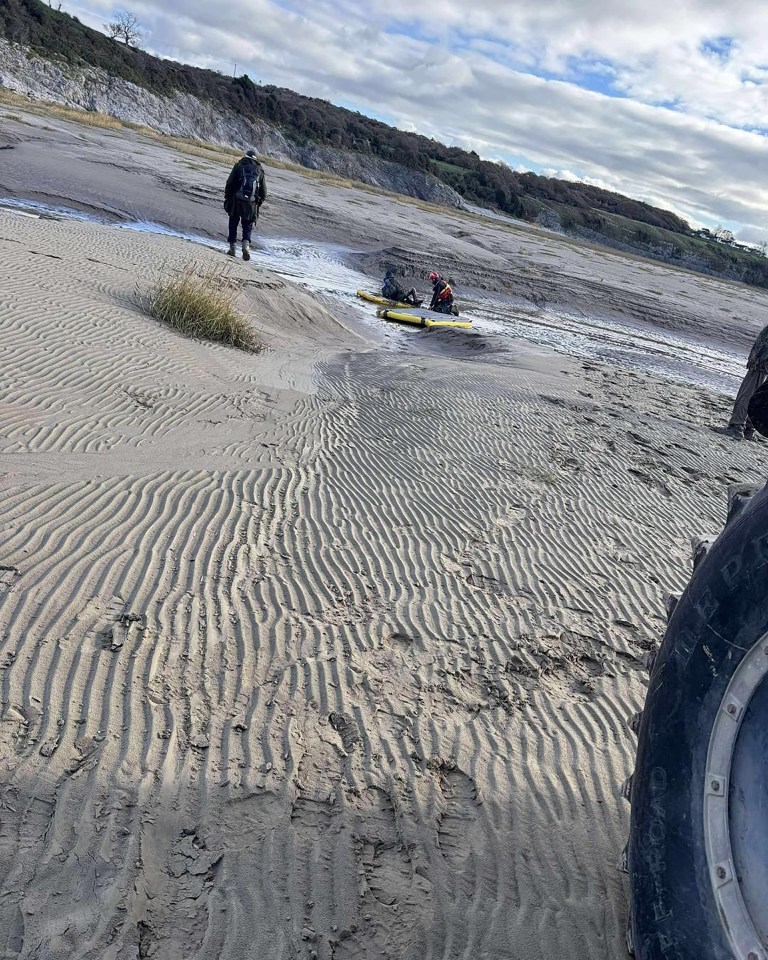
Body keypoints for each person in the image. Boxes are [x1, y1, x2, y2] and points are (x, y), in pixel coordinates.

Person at [726, 323, 768, 440]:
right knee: (759, 398)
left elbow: (765, 344)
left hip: (761, 364)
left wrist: (756, 357)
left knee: (747, 394)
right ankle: (749, 429)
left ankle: (737, 426)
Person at [224, 149, 266, 261]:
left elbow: (230, 183)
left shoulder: (239, 166)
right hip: (251, 203)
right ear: (255, 158)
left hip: (236, 200)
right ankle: (245, 246)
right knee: (247, 225)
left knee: (233, 222)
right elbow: (263, 191)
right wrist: (258, 202)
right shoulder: (260, 170)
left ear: (245, 156)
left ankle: (232, 249)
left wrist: (227, 197)